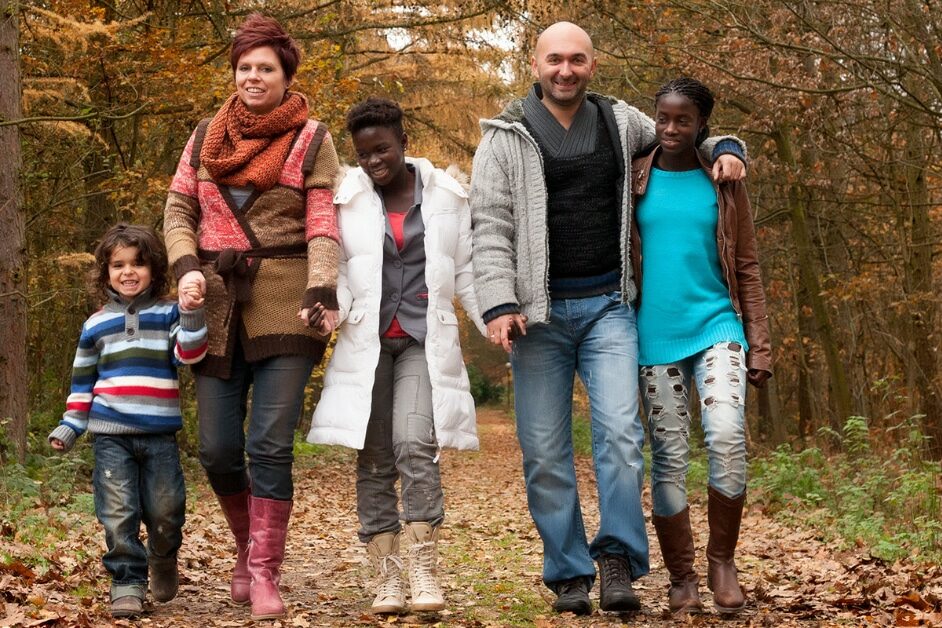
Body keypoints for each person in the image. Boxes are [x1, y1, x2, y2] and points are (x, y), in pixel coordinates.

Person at [469, 21, 748, 615]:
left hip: (610, 309)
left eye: (576, 59)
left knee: (622, 438)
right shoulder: (504, 135)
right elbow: (490, 226)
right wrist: (498, 302)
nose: (564, 70)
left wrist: (730, 148)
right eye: (554, 60)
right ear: (536, 63)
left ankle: (618, 557)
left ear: (591, 64)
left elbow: (685, 136)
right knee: (543, 451)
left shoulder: (623, 124)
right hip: (537, 318)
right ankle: (568, 570)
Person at [162, 13, 340, 620]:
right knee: (215, 448)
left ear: (287, 75)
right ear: (234, 74)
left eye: (266, 68)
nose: (254, 77)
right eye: (245, 68)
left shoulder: (313, 138)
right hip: (211, 300)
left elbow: (322, 222)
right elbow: (178, 210)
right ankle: (246, 546)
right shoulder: (203, 137)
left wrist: (324, 287)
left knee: (268, 441)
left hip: (288, 300)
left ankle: (264, 571)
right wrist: (185, 264)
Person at [307, 98, 485, 615]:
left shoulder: (450, 196)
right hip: (366, 342)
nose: (373, 162)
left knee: (413, 440)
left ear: (404, 142)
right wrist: (328, 311)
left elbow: (468, 270)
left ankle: (424, 566)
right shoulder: (346, 200)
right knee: (374, 457)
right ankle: (387, 575)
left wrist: (493, 319)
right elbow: (337, 273)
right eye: (363, 154)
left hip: (422, 341)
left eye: (381, 149)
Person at [629, 77, 771, 615]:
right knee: (667, 454)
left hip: (718, 327)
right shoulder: (635, 176)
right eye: (662, 117)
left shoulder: (723, 183)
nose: (669, 129)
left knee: (728, 433)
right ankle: (682, 577)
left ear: (701, 125)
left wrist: (760, 345)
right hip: (655, 337)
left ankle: (721, 562)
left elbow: (748, 267)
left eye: (682, 119)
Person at [48, 224, 208, 619]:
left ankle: (163, 556)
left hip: (159, 435)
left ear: (153, 268)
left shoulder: (169, 312)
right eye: (118, 265)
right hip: (110, 436)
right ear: (105, 273)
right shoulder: (95, 324)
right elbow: (83, 382)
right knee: (118, 514)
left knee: (167, 511)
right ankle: (126, 582)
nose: (128, 271)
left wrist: (191, 312)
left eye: (138, 263)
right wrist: (71, 425)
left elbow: (189, 355)